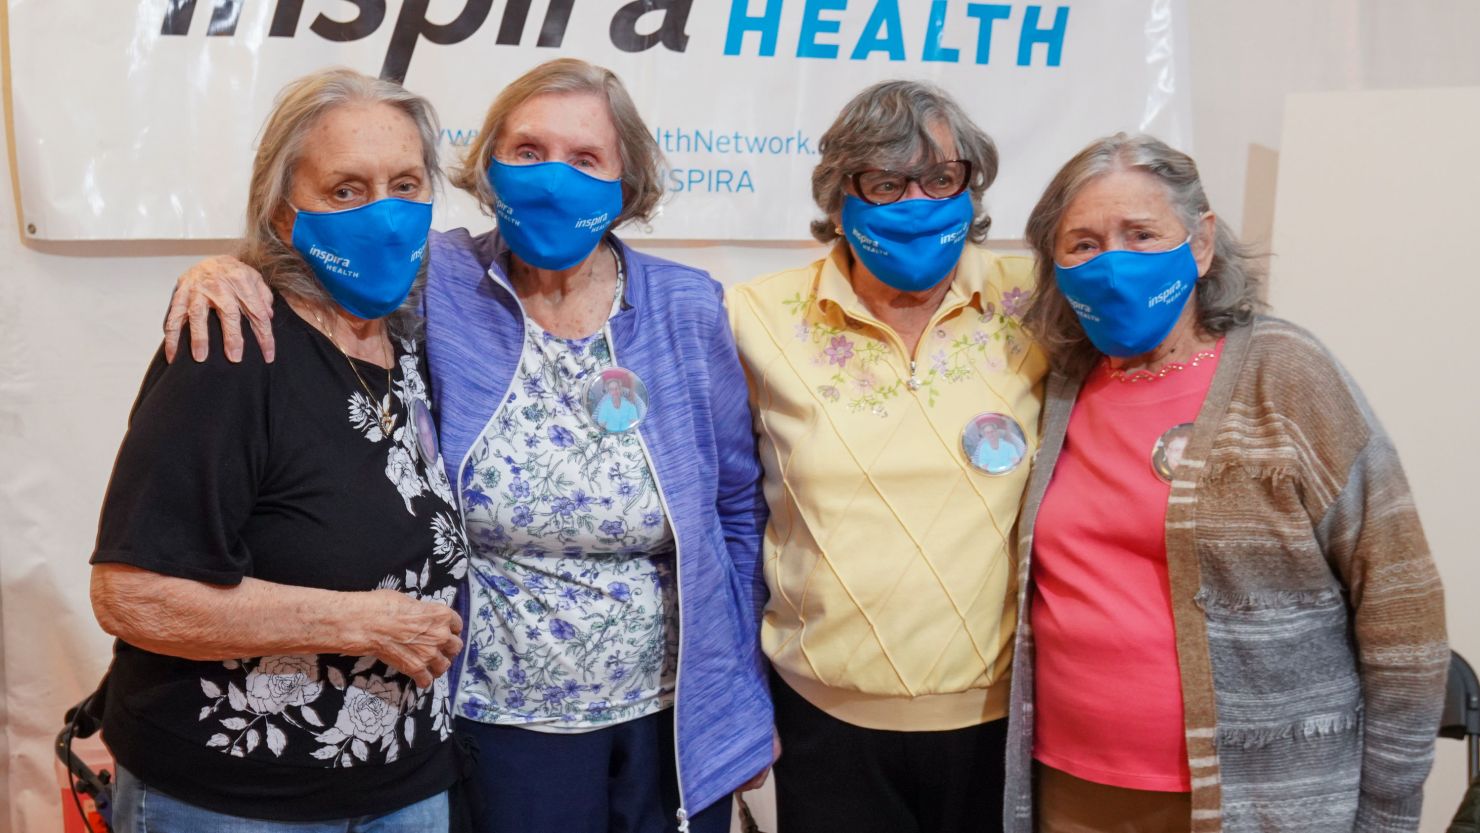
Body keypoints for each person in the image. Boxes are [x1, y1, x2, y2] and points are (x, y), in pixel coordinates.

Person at [159, 58, 771, 833]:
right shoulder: (438, 277)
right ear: (487, 166)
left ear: (628, 179)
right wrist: (219, 268)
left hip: (672, 716)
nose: (553, 178)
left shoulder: (687, 305)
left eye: (585, 159)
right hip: (494, 709)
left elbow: (736, 511)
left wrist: (741, 695)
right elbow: (320, 263)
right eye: (526, 151)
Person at [1007, 133, 1448, 832]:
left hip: (1264, 798)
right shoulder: (1059, 386)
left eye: (1141, 233)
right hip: (1070, 788)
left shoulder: (1287, 371)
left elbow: (1401, 603)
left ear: (1202, 242)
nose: (1113, 261)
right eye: (1083, 243)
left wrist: (1389, 810)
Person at [88, 68, 467, 831]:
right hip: (233, 799)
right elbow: (131, 593)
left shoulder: (411, 338)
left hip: (404, 782)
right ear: (282, 207)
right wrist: (359, 622)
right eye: (347, 190)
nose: (386, 216)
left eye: (405, 183)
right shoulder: (232, 344)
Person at [727, 80, 1047, 833]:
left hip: (1004, 721)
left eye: (942, 178)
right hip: (824, 718)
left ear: (973, 184)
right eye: (886, 181)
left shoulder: (1037, 305)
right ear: (841, 194)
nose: (916, 202)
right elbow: (727, 514)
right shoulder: (753, 317)